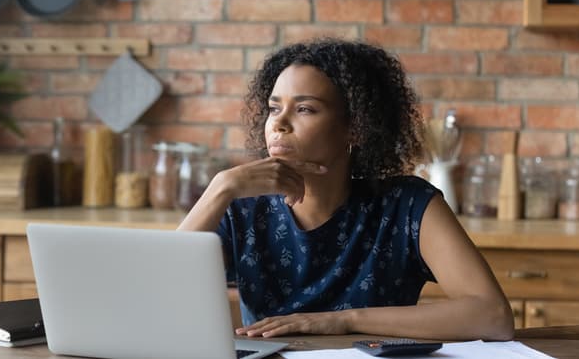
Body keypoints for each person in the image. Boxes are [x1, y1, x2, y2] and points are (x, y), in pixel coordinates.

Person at [177, 38, 514, 341]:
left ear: (355, 129)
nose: (278, 123)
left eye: (305, 108)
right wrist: (220, 188)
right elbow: (157, 296)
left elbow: (492, 316)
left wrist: (342, 320)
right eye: (274, 108)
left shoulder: (408, 206)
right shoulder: (240, 207)